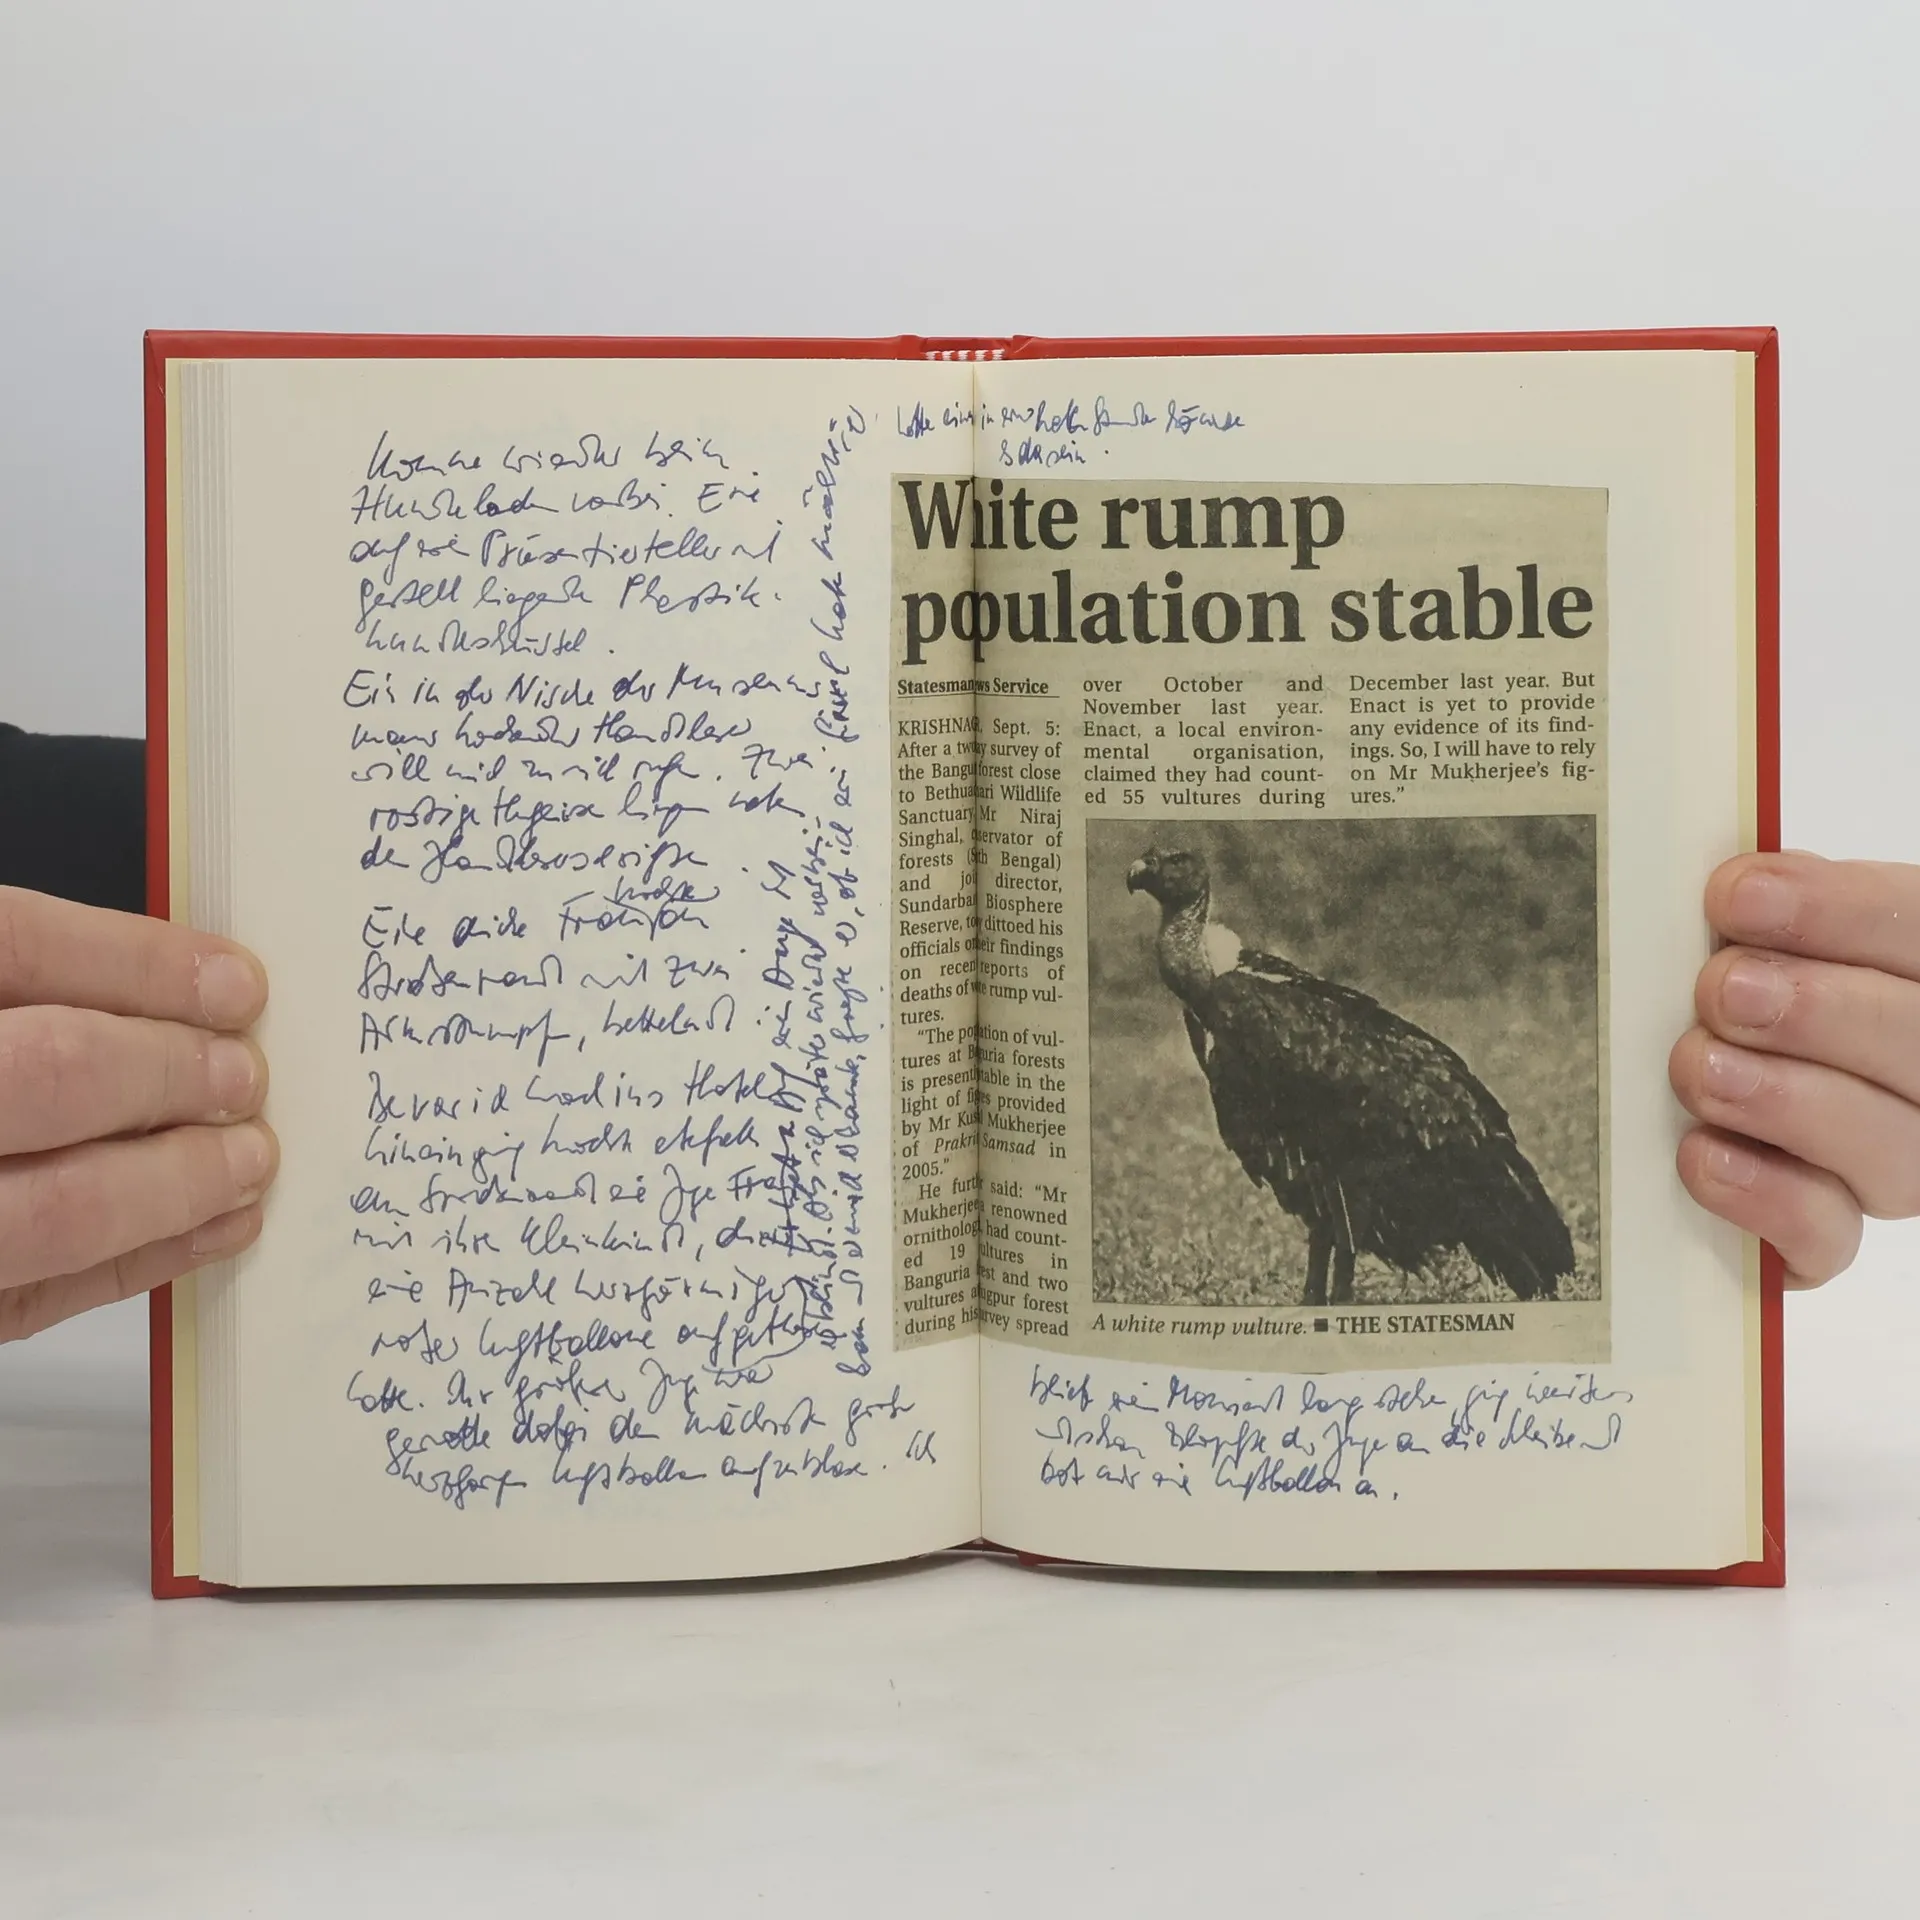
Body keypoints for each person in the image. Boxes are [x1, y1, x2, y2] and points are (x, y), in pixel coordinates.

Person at [0, 728, 1913, 1344]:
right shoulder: (1220, 995)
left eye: (1162, 886)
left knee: (1347, 1176)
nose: (1146, 899)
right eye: (1148, 886)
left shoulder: (1272, 1004)